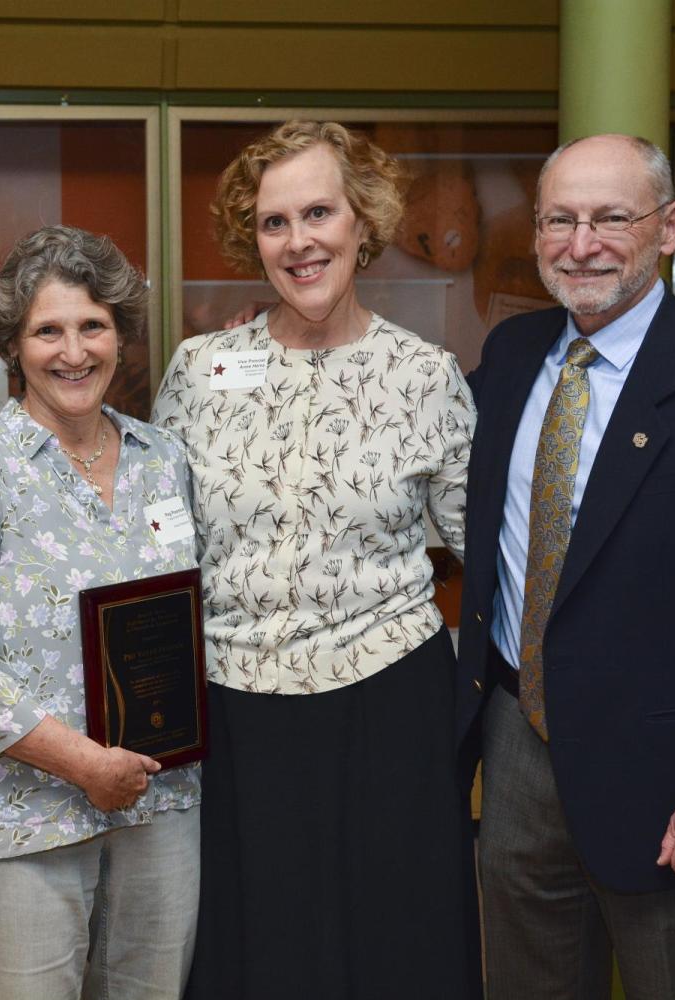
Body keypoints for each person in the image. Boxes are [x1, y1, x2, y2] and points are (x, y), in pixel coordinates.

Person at [455, 133, 675, 1000]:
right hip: (517, 746)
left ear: (670, 226)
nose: (582, 245)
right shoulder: (509, 359)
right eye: (560, 220)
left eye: (612, 218)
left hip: (669, 780)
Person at [153, 120, 480, 999]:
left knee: (390, 939)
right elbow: (155, 547)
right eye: (273, 222)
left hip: (389, 699)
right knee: (256, 939)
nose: (299, 242)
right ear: (249, 238)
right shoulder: (200, 369)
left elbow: (484, 557)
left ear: (362, 222)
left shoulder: (428, 376)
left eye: (319, 213)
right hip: (235, 705)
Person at [0, 224, 201, 1000]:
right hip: (21, 820)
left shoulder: (163, 460)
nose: (74, 352)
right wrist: (83, 765)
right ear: (13, 346)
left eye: (93, 326)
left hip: (159, 800)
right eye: (48, 331)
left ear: (121, 335)